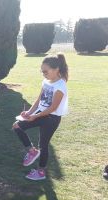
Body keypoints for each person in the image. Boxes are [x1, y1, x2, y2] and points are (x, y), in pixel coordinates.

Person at [13, 53, 69, 181]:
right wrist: (29, 112)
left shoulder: (61, 86)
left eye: (45, 71)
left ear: (56, 70)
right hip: (40, 113)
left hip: (51, 118)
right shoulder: (46, 81)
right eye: (41, 71)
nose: (43, 74)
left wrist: (35, 116)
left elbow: (53, 108)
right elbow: (39, 100)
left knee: (43, 144)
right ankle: (32, 151)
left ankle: (41, 172)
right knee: (17, 126)